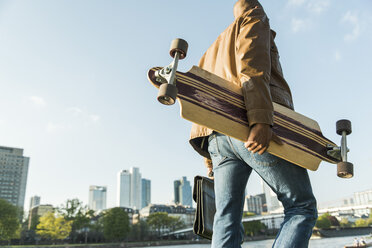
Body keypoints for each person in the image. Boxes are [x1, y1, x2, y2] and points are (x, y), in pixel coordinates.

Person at [189, 0, 318, 247]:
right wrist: (259, 119)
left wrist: (209, 163)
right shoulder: (253, 16)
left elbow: (200, 104)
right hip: (246, 124)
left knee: (225, 217)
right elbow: (253, 65)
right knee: (301, 206)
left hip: (217, 139)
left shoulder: (211, 50)